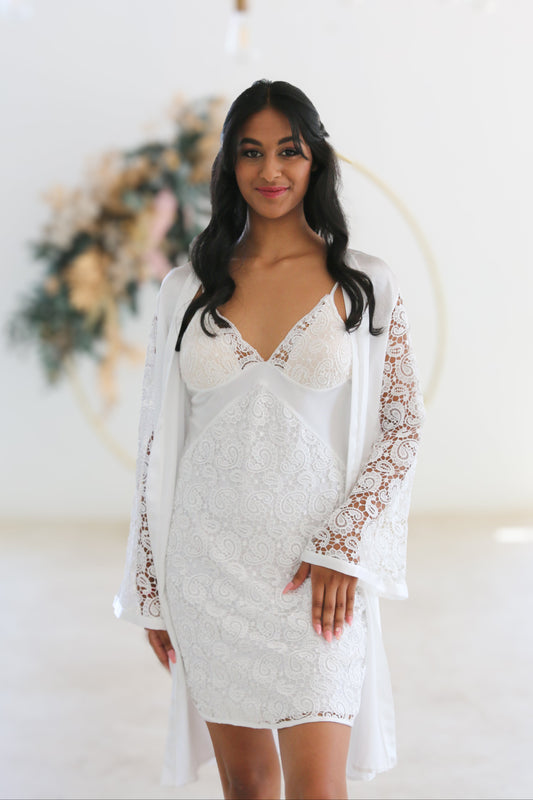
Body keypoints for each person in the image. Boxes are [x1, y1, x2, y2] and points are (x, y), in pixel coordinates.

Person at [114, 79, 425, 800]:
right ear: (230, 166)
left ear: (315, 160)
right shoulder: (186, 288)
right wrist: (152, 589)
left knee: (316, 789)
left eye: (288, 150)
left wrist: (344, 548)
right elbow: (157, 443)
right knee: (249, 789)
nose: (270, 170)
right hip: (208, 567)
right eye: (250, 152)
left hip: (316, 575)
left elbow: (401, 426)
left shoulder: (366, 284)